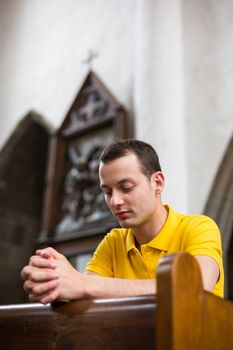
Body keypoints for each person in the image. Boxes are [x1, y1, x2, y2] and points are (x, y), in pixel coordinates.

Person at [21, 139, 224, 304]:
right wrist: (51, 280)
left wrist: (82, 284)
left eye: (126, 188)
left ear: (158, 183)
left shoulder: (199, 228)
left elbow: (195, 285)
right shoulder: (113, 242)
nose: (115, 201)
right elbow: (81, 290)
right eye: (107, 192)